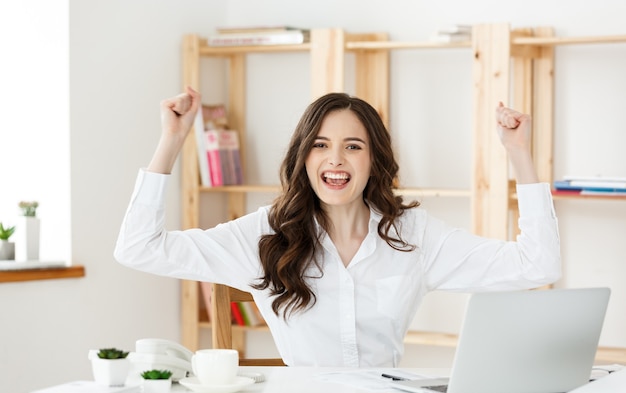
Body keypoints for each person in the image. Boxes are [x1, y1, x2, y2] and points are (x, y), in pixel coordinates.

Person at [115, 87, 561, 367]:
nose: (335, 160)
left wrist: (518, 153)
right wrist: (171, 140)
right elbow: (138, 248)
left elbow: (537, 265)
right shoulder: (261, 236)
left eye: (353, 146)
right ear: (304, 157)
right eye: (321, 145)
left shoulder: (413, 235)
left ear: (373, 160)